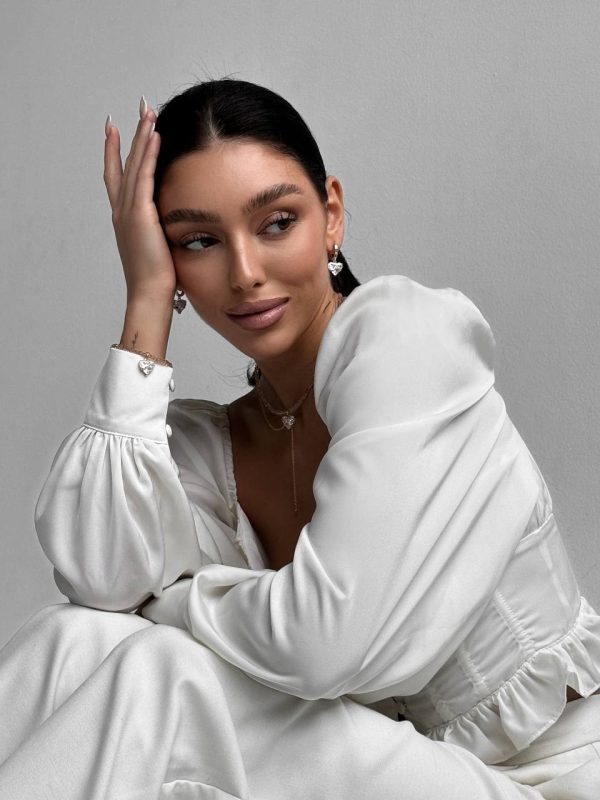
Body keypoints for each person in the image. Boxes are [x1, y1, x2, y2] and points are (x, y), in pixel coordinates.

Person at [0, 78, 598, 800]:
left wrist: (174, 602)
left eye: (277, 223)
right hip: (392, 776)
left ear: (331, 215)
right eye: (199, 241)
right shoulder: (211, 447)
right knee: (75, 641)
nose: (246, 273)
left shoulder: (409, 345)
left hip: (546, 784)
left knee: (160, 671)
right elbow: (100, 580)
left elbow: (325, 642)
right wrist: (146, 300)